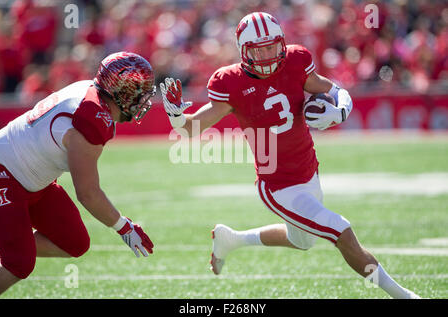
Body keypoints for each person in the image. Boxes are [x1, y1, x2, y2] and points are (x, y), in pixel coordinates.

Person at [160, 12, 420, 299]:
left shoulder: (296, 62)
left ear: (281, 43)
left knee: (302, 241)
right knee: (341, 231)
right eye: (260, 50)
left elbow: (336, 91)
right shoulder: (230, 82)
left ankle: (231, 239)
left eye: (272, 46)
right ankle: (405, 296)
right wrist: (175, 117)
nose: (269, 55)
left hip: (309, 170)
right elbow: (190, 129)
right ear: (244, 52)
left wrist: (339, 110)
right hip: (278, 186)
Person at [0, 51, 155, 295]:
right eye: (138, 91)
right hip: (5, 172)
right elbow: (88, 193)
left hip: (34, 181)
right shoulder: (92, 116)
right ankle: (9, 243)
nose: (142, 99)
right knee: (19, 262)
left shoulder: (90, 93)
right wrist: (124, 227)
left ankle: (6, 240)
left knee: (74, 242)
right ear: (121, 90)